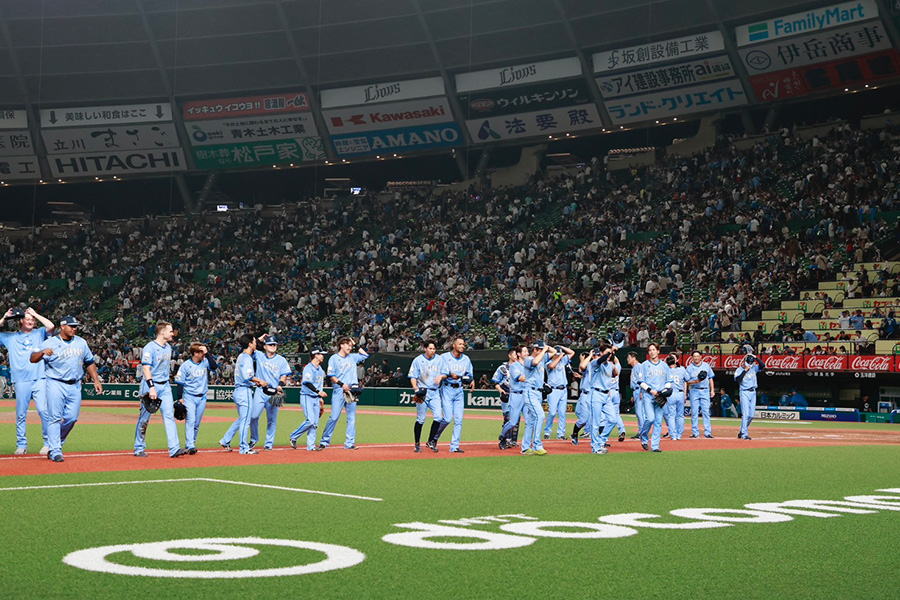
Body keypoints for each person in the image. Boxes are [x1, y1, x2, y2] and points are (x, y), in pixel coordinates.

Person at [30, 316, 102, 462]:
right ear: (62, 326)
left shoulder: (81, 342)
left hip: (75, 384)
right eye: (71, 326)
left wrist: (96, 379)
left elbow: (89, 361)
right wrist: (43, 352)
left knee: (72, 418)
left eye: (75, 326)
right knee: (54, 418)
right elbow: (32, 358)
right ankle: (56, 450)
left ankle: (54, 442)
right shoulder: (50, 342)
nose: (74, 328)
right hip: (55, 383)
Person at [1, 307, 54, 455]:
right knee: (21, 414)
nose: (31, 321)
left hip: (39, 378)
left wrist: (35, 313)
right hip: (21, 380)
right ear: (21, 321)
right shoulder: (10, 337)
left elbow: (51, 326)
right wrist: (4, 318)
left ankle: (48, 443)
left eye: (32, 320)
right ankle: (21, 444)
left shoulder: (39, 333)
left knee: (43, 411)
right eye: (28, 319)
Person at [134, 321, 186, 458]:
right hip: (150, 385)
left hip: (165, 386)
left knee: (169, 416)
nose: (172, 333)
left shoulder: (168, 347)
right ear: (162, 332)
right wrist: (151, 387)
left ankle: (174, 448)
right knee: (144, 418)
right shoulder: (149, 348)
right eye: (170, 330)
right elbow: (146, 368)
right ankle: (139, 447)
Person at [220, 334, 267, 454]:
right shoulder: (247, 358)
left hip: (239, 390)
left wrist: (259, 340)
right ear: (250, 344)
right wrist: (259, 381)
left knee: (243, 418)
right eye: (254, 342)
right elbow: (248, 376)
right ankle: (244, 447)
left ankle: (226, 440)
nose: (256, 344)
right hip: (244, 391)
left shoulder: (241, 355)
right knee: (246, 420)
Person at [319, 337, 369, 450]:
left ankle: (350, 443)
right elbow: (331, 375)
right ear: (341, 345)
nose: (350, 348)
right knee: (334, 417)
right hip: (340, 390)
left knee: (351, 418)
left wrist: (356, 345)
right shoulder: (334, 358)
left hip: (352, 390)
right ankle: (324, 441)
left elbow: (366, 355)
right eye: (348, 345)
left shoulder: (353, 357)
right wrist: (342, 384)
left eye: (351, 346)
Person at [430, 337, 473, 453]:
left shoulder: (466, 359)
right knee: (448, 418)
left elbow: (469, 375)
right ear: (454, 345)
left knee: (459, 420)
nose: (462, 346)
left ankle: (454, 446)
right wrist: (449, 374)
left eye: (463, 344)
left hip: (459, 390)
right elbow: (438, 371)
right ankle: (434, 438)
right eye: (460, 344)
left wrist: (471, 380)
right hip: (447, 388)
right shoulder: (444, 357)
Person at [249, 335, 292, 450]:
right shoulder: (259, 355)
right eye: (270, 344)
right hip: (260, 391)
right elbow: (250, 346)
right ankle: (254, 439)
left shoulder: (281, 360)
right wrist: (259, 339)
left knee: (271, 420)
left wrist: (281, 385)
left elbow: (284, 375)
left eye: (274, 345)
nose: (273, 346)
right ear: (265, 346)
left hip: (273, 392)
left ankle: (268, 444)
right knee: (253, 416)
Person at [173, 342, 217, 454]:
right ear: (195, 353)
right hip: (189, 396)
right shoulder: (186, 366)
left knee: (197, 422)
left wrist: (208, 353)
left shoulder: (205, 361)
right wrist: (180, 398)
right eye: (202, 352)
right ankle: (190, 445)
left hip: (202, 397)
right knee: (191, 420)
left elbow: (214, 366)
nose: (203, 355)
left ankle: (192, 442)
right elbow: (179, 383)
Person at [408, 340, 444, 453]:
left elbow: (445, 372)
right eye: (430, 348)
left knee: (439, 417)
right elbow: (413, 376)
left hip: (435, 392)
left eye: (434, 349)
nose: (432, 351)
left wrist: (441, 376)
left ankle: (431, 441)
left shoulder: (439, 359)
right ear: (425, 348)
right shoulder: (418, 360)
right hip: (421, 392)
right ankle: (417, 443)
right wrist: (416, 389)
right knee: (420, 419)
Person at [636, 342, 673, 452]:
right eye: (650, 350)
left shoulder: (664, 365)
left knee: (658, 421)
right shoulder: (644, 365)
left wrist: (664, 390)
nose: (652, 352)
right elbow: (640, 381)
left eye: (654, 350)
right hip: (648, 395)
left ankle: (655, 446)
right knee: (650, 418)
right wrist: (650, 390)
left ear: (658, 351)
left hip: (660, 396)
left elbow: (669, 381)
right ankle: (643, 436)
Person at [290, 346, 327, 451]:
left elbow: (319, 385)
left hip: (316, 398)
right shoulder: (308, 368)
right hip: (307, 396)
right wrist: (318, 392)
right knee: (310, 421)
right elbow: (307, 383)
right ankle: (293, 436)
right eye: (321, 354)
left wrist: (320, 397)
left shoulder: (320, 369)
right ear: (315, 355)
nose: (322, 356)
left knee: (315, 423)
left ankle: (311, 446)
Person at [520, 341, 552, 455]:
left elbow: (554, 352)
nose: (542, 351)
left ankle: (525, 447)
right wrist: (544, 350)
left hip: (538, 392)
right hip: (530, 391)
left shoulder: (542, 357)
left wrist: (547, 348)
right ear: (535, 349)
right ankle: (537, 445)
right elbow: (535, 362)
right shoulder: (528, 359)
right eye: (539, 349)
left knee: (531, 421)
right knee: (540, 415)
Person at [587, 343, 620, 455]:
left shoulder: (610, 365)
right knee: (596, 423)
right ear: (601, 353)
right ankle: (595, 448)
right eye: (606, 353)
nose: (609, 355)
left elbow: (616, 374)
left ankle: (601, 441)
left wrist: (614, 364)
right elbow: (602, 359)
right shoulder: (595, 363)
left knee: (613, 419)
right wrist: (611, 352)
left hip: (606, 395)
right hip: (596, 393)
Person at [543, 344, 574, 440]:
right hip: (553, 390)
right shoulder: (548, 362)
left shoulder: (563, 361)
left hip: (563, 389)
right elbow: (552, 366)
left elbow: (572, 352)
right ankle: (547, 431)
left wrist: (561, 346)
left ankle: (561, 433)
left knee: (562, 413)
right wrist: (560, 355)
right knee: (552, 412)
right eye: (557, 354)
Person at [498, 344, 527, 450]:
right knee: (512, 422)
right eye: (524, 351)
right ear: (519, 354)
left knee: (529, 421)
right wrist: (533, 378)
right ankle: (503, 437)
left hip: (526, 395)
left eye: (527, 351)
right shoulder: (514, 366)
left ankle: (527, 445)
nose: (527, 353)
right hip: (516, 395)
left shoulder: (528, 365)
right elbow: (520, 378)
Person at [685, 350, 715, 438]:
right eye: (694, 356)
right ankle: (695, 432)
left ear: (701, 357)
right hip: (694, 390)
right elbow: (687, 381)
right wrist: (695, 381)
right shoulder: (689, 368)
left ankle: (708, 432)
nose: (696, 358)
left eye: (698, 356)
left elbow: (710, 378)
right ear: (692, 357)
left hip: (705, 390)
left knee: (706, 411)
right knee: (694, 412)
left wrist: (712, 390)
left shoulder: (706, 366)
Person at [734, 354, 764, 440]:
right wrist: (745, 371)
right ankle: (744, 434)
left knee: (751, 415)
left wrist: (755, 357)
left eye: (751, 363)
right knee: (746, 414)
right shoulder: (739, 370)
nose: (749, 364)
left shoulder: (753, 368)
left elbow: (762, 365)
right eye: (748, 362)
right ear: (744, 361)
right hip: (744, 392)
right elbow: (738, 380)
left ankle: (742, 430)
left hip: (753, 392)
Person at [491, 348, 517, 439]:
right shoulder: (503, 368)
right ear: (510, 355)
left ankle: (513, 440)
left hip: (517, 394)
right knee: (508, 417)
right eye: (515, 354)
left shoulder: (521, 367)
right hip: (507, 393)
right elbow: (496, 382)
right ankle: (505, 439)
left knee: (516, 419)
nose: (517, 356)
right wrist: (501, 391)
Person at [664, 354, 687, 441]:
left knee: (671, 415)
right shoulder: (682, 369)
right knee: (680, 415)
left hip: (671, 393)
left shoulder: (667, 370)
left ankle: (673, 435)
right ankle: (679, 434)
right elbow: (687, 379)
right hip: (680, 393)